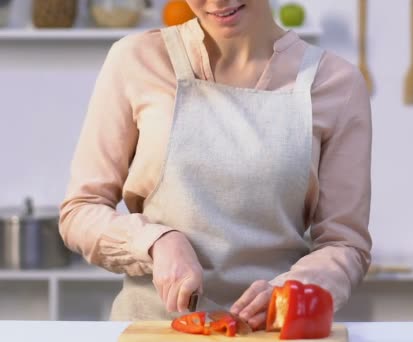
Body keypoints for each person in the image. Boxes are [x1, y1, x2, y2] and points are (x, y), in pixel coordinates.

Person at [59, 0, 372, 329]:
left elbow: (344, 243)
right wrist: (154, 242)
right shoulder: (135, 60)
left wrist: (289, 293)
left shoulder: (337, 84)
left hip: (272, 331)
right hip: (153, 329)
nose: (216, 2)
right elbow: (81, 209)